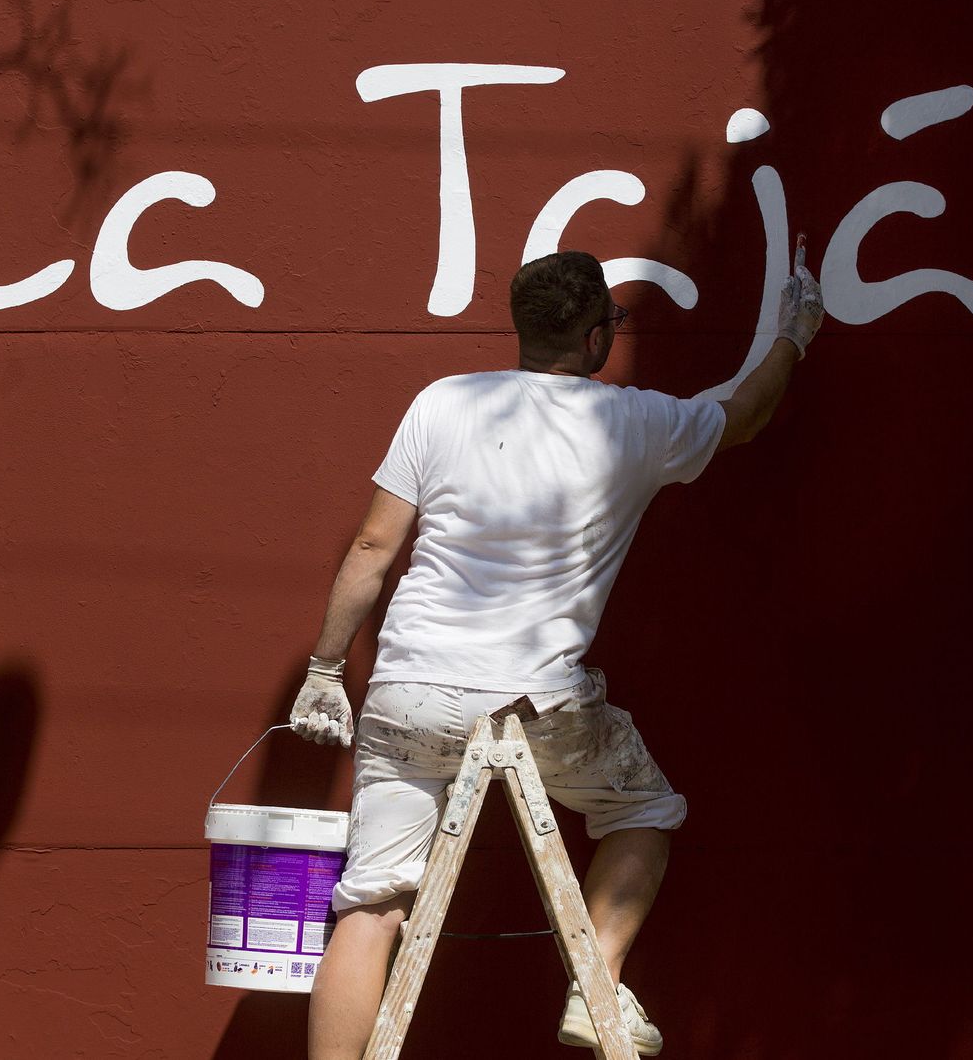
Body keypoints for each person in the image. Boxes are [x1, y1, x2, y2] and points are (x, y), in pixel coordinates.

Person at [291, 248, 825, 1058]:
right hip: (533, 704)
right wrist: (792, 333)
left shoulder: (443, 403)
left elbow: (373, 545)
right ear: (596, 338)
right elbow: (744, 413)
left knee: (369, 905)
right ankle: (595, 980)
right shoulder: (632, 422)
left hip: (407, 692)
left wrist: (325, 670)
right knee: (645, 809)